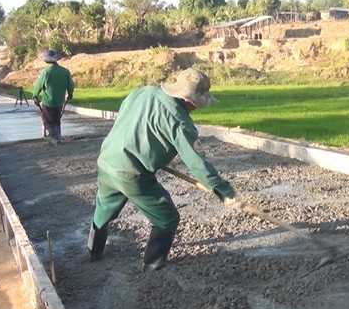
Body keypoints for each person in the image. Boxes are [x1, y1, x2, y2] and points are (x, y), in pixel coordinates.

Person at [87, 68, 242, 271]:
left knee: (104, 209)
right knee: (166, 217)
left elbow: (127, 122)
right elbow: (197, 163)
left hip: (107, 161)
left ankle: (93, 251)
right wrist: (224, 191)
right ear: (190, 99)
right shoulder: (180, 122)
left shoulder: (143, 92)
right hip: (132, 173)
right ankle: (153, 263)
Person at [32, 50, 74, 144]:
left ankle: (56, 138)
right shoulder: (65, 72)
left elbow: (38, 86)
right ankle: (58, 136)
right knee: (57, 120)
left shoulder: (45, 72)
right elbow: (70, 86)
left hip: (48, 102)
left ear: (46, 60)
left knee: (47, 121)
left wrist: (35, 95)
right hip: (60, 101)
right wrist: (70, 95)